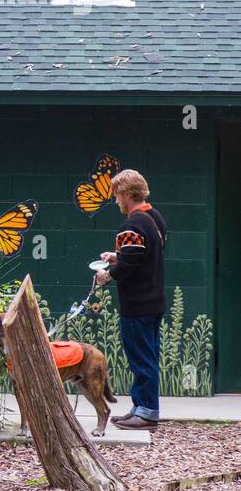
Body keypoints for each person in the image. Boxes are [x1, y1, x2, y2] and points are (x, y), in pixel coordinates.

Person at [94, 169, 167, 430]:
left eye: (116, 196)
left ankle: (146, 413)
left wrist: (108, 275)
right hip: (155, 301)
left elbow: (130, 266)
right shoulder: (154, 218)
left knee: (141, 358)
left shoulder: (132, 224)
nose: (116, 202)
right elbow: (143, 256)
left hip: (137, 304)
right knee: (148, 355)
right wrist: (118, 257)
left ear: (126, 194)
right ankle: (140, 407)